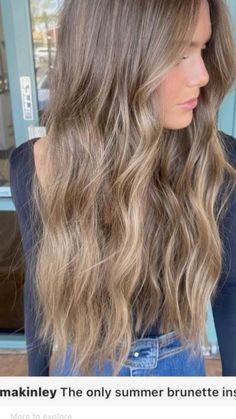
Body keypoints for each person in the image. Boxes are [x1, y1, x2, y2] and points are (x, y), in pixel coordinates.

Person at [9, 0, 236, 376]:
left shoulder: (215, 162)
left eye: (204, 49)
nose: (202, 75)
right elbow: (41, 294)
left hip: (177, 369)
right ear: (114, 59)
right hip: (80, 365)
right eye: (179, 53)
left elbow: (229, 291)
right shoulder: (37, 167)